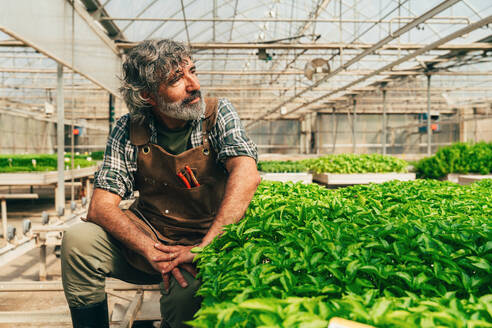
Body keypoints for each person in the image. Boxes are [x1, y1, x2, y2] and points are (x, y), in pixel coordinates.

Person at [61, 39, 260, 328]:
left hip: (206, 237)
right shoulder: (129, 128)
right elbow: (101, 207)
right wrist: (149, 248)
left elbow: (247, 173)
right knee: (78, 242)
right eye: (177, 79)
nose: (194, 85)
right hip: (149, 236)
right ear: (148, 95)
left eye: (192, 71)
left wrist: (205, 248)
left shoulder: (217, 114)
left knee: (185, 300)